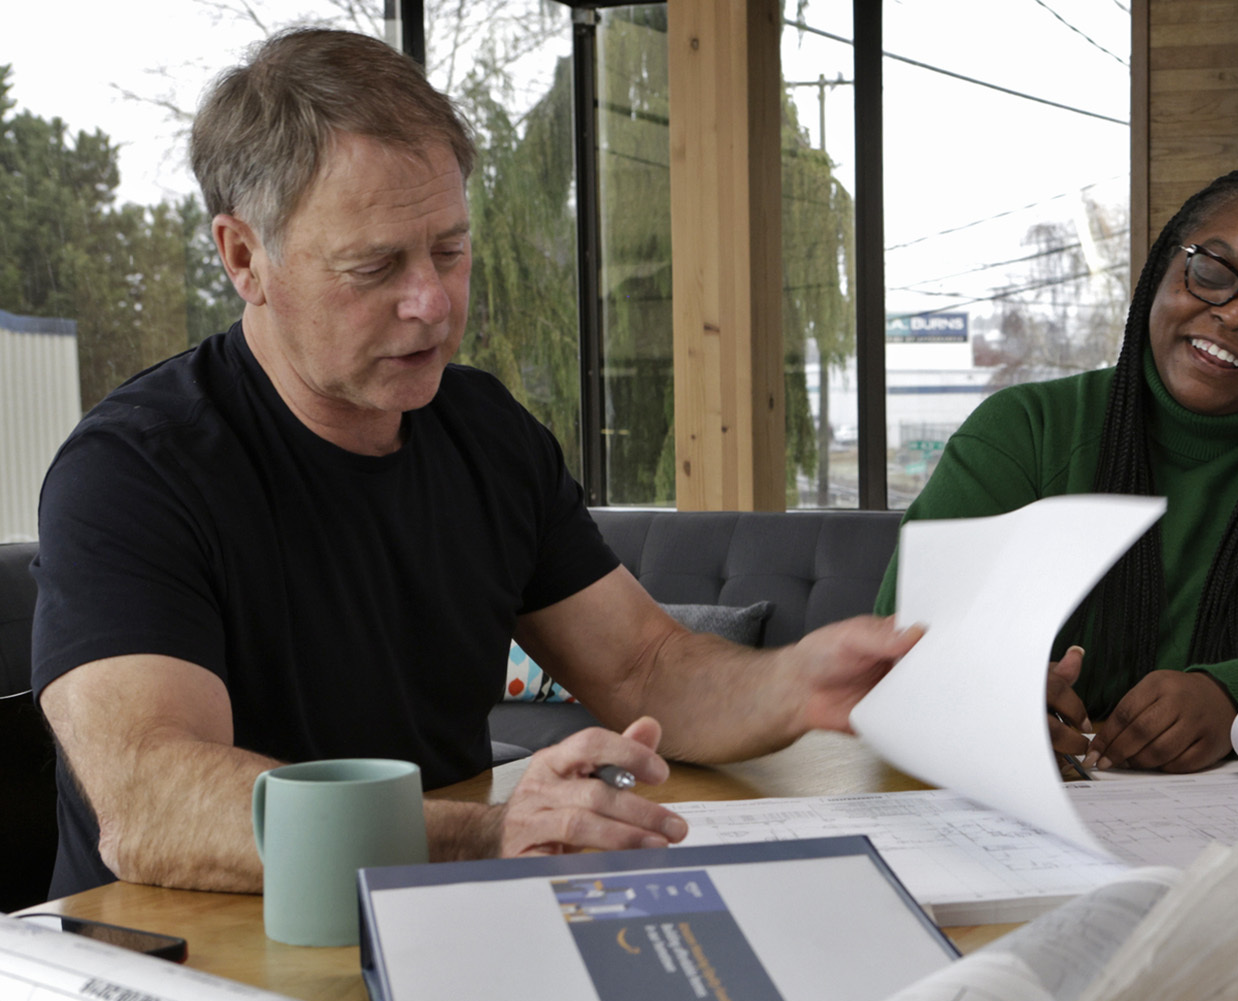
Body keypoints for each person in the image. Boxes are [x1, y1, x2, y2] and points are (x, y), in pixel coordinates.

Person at [30, 28, 916, 899]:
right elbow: (157, 803)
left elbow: (645, 669)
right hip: (179, 958)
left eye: (450, 250)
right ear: (243, 258)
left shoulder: (484, 431)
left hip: (428, 909)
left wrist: (795, 680)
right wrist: (485, 836)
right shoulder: (133, 471)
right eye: (374, 266)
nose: (431, 303)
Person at [875, 166, 1238, 773]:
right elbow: (898, 648)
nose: (1236, 315)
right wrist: (989, 700)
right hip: (1024, 823)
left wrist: (1236, 699)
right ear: (1164, 268)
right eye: (1211, 273)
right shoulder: (1027, 431)